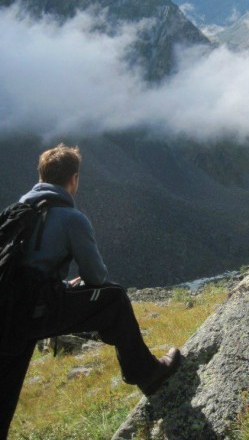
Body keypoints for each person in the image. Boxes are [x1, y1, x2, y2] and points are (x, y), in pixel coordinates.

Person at [0, 144, 180, 439]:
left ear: (41, 176)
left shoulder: (17, 211)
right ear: (73, 179)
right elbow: (96, 276)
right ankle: (147, 374)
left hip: (6, 308)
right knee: (115, 300)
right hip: (37, 310)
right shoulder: (71, 218)